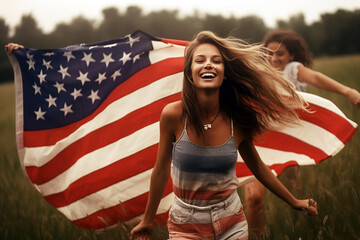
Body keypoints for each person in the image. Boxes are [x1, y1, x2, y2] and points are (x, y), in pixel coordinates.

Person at [129, 31, 317, 240]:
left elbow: (259, 168)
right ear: (190, 73)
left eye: (216, 61)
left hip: (231, 222)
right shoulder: (173, 115)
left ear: (224, 73)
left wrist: (294, 201)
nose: (208, 64)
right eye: (200, 60)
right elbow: (161, 170)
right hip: (186, 226)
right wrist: (147, 220)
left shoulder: (237, 120)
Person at [243, 29, 360, 239]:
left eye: (280, 53)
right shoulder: (260, 70)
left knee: (290, 168)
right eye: (270, 53)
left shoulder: (292, 69)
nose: (274, 58)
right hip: (260, 139)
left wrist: (347, 91)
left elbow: (315, 77)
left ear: (291, 56)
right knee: (254, 199)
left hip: (289, 138)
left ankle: (295, 192)